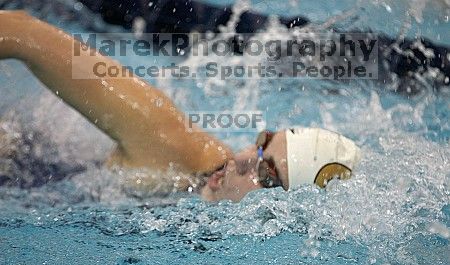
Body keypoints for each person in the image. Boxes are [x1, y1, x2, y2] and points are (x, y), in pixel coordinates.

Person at [0, 10, 361, 201]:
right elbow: (22, 32)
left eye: (265, 175)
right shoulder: (168, 139)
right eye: (261, 143)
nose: (240, 158)